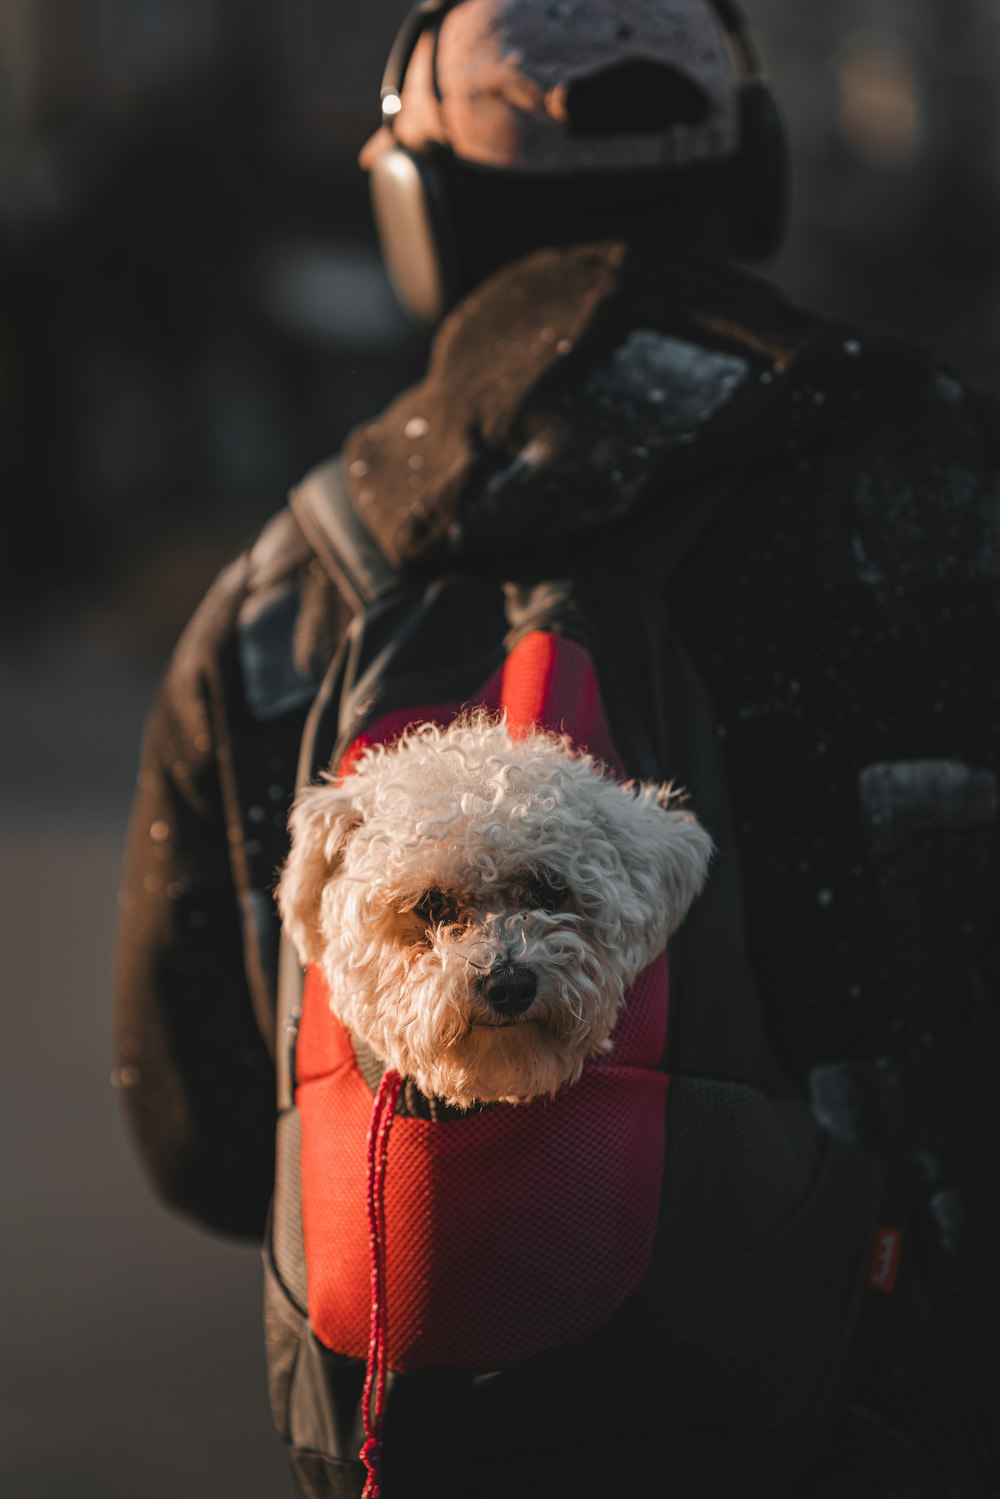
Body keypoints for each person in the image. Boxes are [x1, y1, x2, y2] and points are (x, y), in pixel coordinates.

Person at [114, 1, 1000, 1494]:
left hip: (441, 1418)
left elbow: (201, 1128)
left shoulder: (290, 585)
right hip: (897, 1404)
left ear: (420, 209)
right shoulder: (952, 493)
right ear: (756, 171)